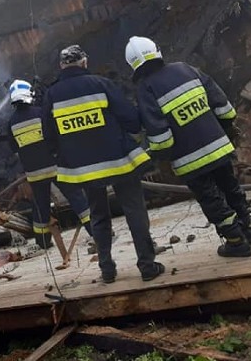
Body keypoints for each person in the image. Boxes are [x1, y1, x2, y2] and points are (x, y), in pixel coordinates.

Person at [42, 45, 164, 283]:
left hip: (84, 169)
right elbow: (129, 118)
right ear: (84, 63)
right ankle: (147, 266)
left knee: (98, 216)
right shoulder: (101, 84)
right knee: (134, 210)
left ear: (61, 66)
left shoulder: (51, 95)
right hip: (119, 161)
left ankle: (107, 269)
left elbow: (48, 135)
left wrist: (65, 153)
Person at [126, 36, 251, 257]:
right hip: (220, 147)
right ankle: (248, 231)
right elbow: (224, 108)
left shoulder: (146, 89)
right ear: (157, 52)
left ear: (133, 65)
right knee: (231, 188)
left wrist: (156, 158)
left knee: (212, 200)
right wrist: (222, 132)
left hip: (190, 160)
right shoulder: (185, 69)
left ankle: (236, 241)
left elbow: (161, 138)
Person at [7, 79, 92, 249]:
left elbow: (13, 147)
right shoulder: (40, 113)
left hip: (34, 173)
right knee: (76, 197)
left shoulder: (11, 123)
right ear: (29, 94)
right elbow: (55, 136)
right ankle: (96, 231)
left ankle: (43, 242)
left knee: (40, 207)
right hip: (55, 167)